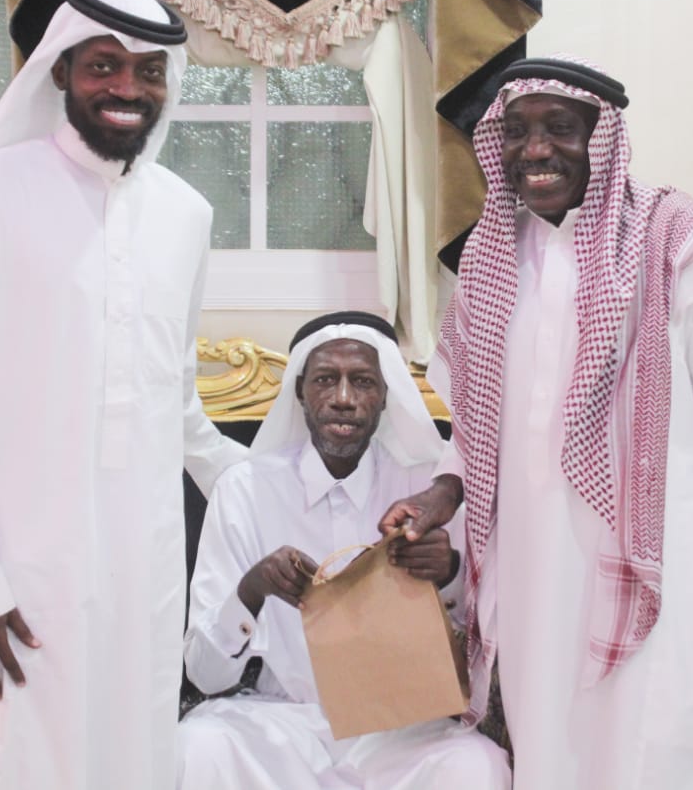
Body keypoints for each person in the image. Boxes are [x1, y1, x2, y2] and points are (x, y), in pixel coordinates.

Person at [0, 0, 247, 789]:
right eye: (104, 65)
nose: (127, 87)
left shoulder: (187, 214)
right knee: (11, 760)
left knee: (127, 758)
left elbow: (178, 404)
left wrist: (275, 490)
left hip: (140, 573)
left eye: (148, 70)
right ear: (61, 69)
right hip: (12, 572)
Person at [380, 55, 693, 788]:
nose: (535, 149)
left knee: (666, 751)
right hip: (537, 578)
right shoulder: (490, 258)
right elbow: (481, 428)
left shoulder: (682, 245)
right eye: (516, 131)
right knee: (556, 756)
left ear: (601, 137)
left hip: (672, 570)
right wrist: (442, 494)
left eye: (560, 128)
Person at [179, 312, 510, 790]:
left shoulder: (428, 490)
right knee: (198, 748)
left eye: (363, 382)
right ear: (300, 392)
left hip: (401, 733)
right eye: (324, 380)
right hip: (280, 725)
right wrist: (252, 590)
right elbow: (205, 675)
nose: (343, 398)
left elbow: (486, 644)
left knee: (477, 767)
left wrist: (450, 572)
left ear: (385, 395)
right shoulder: (244, 490)